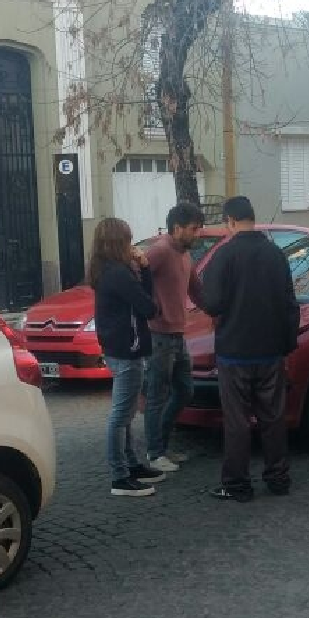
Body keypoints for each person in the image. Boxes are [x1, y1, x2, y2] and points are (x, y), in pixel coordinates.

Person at [200, 196, 300, 502]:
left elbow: (213, 302)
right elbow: (289, 304)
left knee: (237, 421)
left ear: (230, 221)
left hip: (234, 351)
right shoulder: (275, 254)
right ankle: (278, 478)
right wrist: (287, 344)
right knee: (273, 418)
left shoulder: (224, 255)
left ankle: (237, 484)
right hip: (270, 350)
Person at [88, 217, 166, 497]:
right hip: (127, 350)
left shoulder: (106, 270)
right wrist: (144, 270)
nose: (132, 245)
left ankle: (131, 465)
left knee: (127, 412)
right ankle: (119, 476)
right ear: (118, 243)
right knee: (121, 415)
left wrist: (142, 270)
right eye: (128, 240)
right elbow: (148, 307)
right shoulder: (119, 274)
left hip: (119, 348)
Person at [142, 202, 206, 473]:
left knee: (185, 390)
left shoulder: (185, 256)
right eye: (194, 229)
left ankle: (162, 446)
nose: (197, 234)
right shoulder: (160, 251)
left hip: (178, 334)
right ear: (177, 227)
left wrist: (217, 309)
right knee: (157, 395)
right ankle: (154, 453)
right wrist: (150, 308)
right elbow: (136, 279)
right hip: (158, 334)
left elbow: (197, 291)